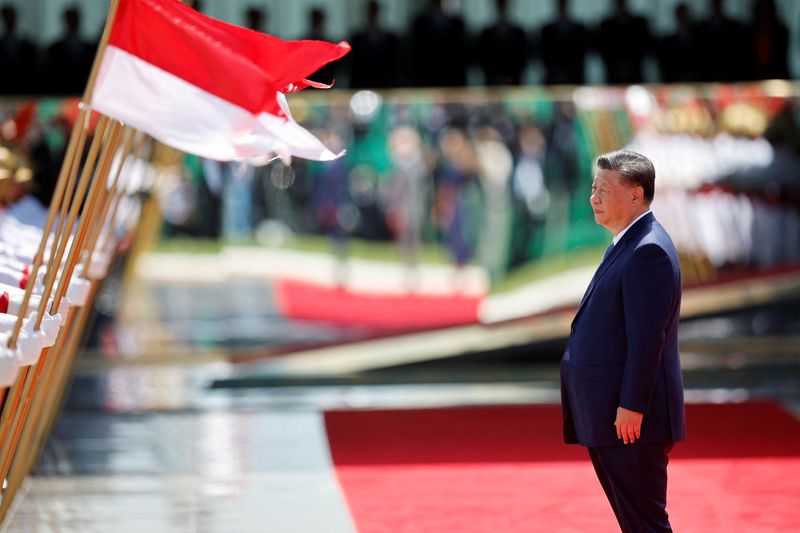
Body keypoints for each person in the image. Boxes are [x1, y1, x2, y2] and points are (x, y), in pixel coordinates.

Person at [560, 150, 685, 532]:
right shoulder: (627, 241)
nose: (593, 198)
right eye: (593, 188)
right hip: (608, 415)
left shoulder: (648, 250)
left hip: (630, 421)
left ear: (635, 194)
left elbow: (648, 340)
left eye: (604, 190)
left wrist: (632, 405)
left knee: (645, 523)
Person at [596, 0, 651, 84]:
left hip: (635, 70)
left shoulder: (639, 23)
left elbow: (645, 45)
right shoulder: (605, 25)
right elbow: (602, 47)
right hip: (613, 72)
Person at [348, 0, 398, 88]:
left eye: (374, 10)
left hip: (384, 85)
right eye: (370, 10)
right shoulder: (357, 38)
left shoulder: (390, 38)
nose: (372, 13)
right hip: (362, 85)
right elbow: (354, 68)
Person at [477, 0, 527, 86]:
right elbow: (483, 59)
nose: (501, 4)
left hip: (514, 82)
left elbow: (522, 57)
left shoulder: (518, 32)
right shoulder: (486, 33)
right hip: (492, 83)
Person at [540, 0, 589, 85]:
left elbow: (581, 54)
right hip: (554, 78)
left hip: (575, 78)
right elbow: (545, 56)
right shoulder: (547, 30)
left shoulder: (579, 29)